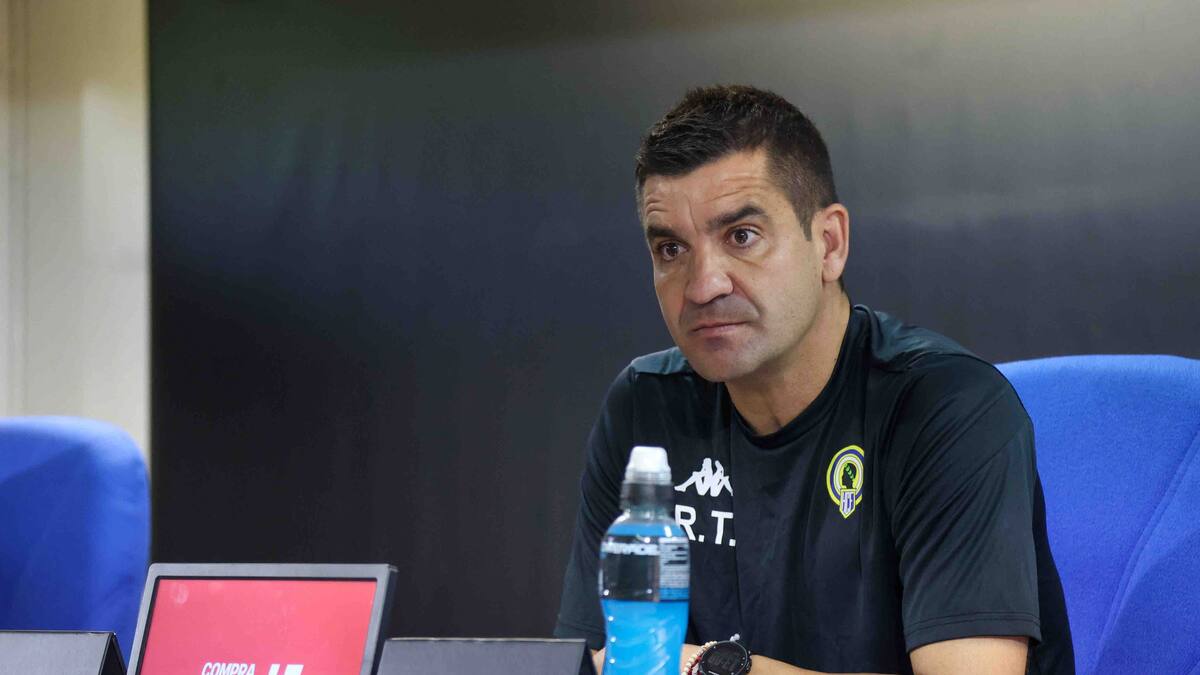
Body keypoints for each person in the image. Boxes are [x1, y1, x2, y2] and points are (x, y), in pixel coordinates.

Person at [553, 85, 1073, 674]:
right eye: (670, 249)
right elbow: (588, 662)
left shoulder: (948, 408)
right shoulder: (644, 407)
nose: (702, 286)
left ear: (828, 244)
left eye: (741, 237)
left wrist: (715, 669)